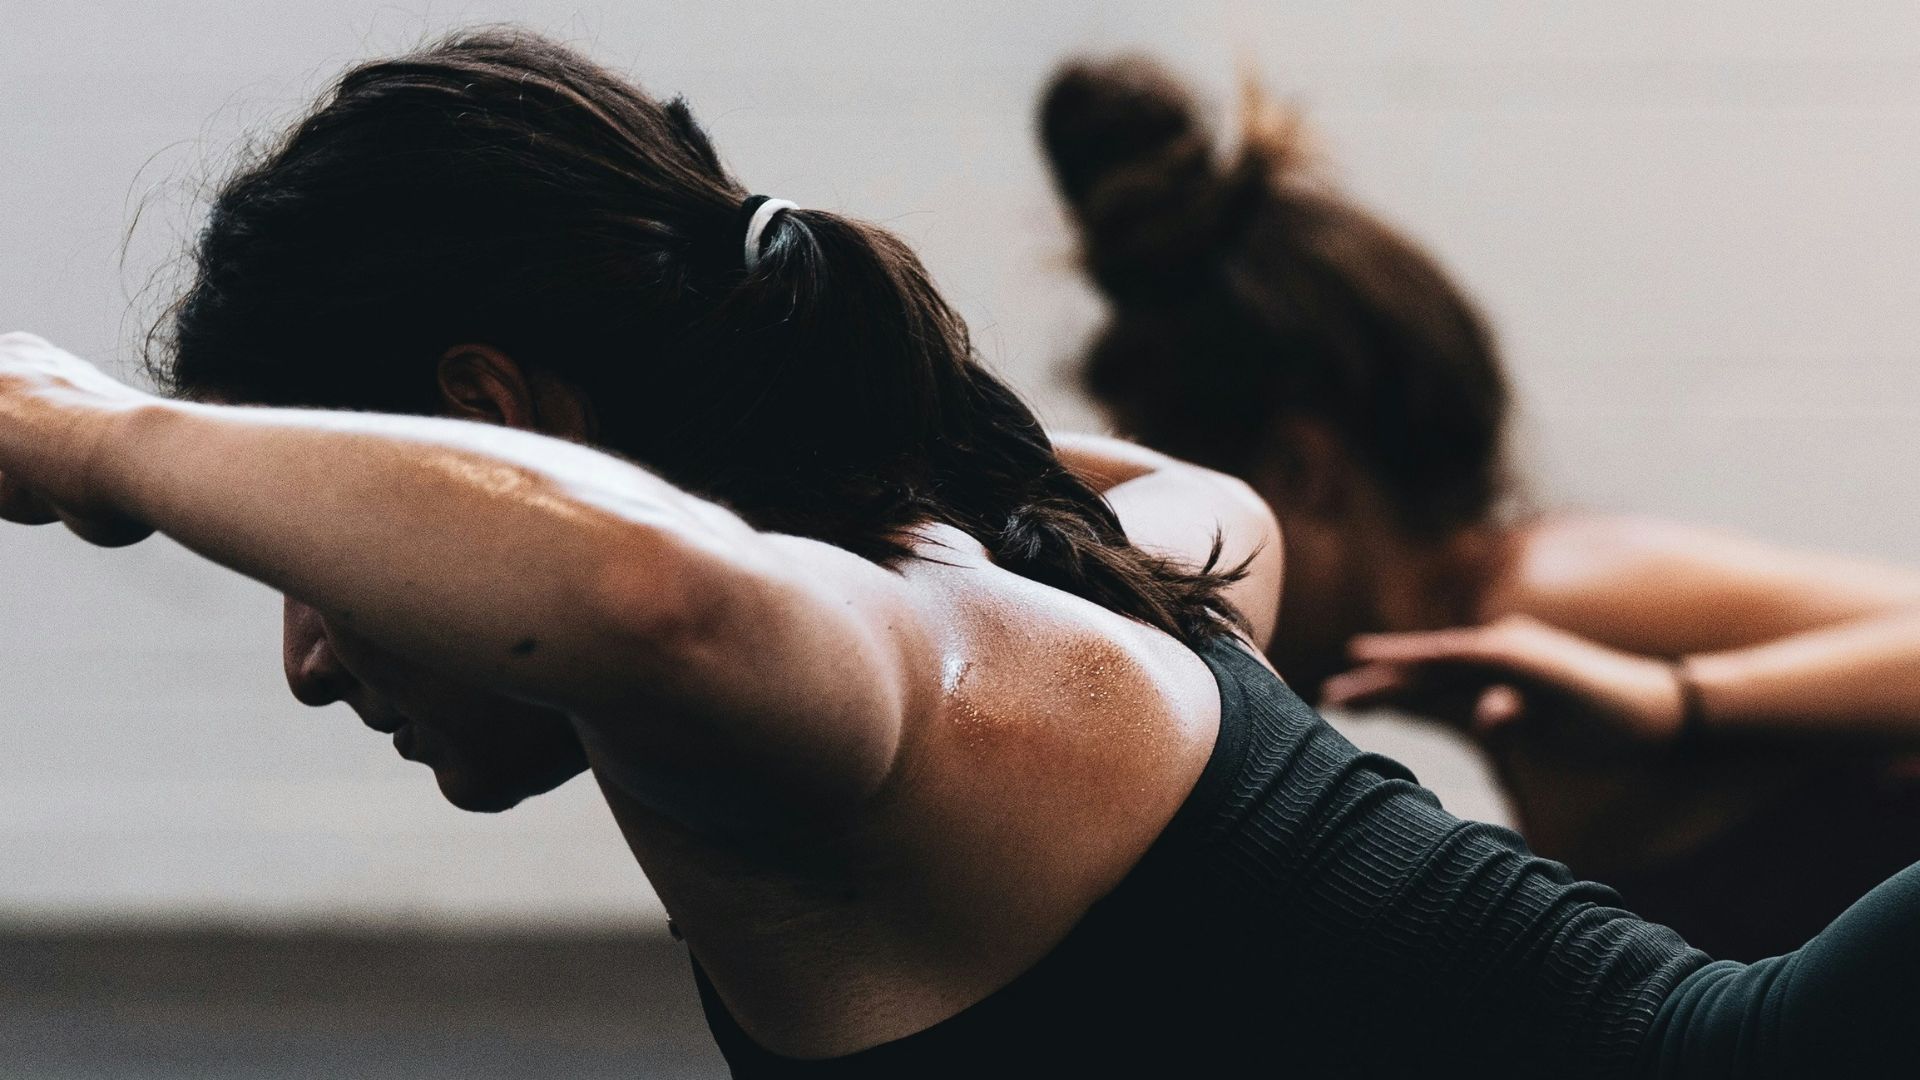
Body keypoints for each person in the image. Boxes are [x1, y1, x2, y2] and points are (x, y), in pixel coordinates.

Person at [3, 29, 1916, 1076]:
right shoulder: (1093, 560)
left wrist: (101, 447)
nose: (311, 654)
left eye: (324, 561)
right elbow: (1205, 499)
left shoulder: (884, 687)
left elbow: (651, 594)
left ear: (507, 429)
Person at [1040, 55, 1920, 961]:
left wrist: (1674, 703)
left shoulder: (1559, 594)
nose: (1161, 567)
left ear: (1304, 471)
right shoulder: (1528, 707)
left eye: (1185, 503)